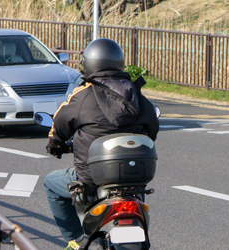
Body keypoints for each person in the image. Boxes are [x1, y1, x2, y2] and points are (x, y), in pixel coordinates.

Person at [43, 38, 159, 250]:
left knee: (51, 183)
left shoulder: (83, 96)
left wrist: (55, 144)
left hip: (91, 178)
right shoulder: (138, 95)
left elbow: (59, 125)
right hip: (134, 179)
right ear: (120, 62)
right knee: (137, 197)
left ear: (88, 64)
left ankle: (75, 241)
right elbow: (153, 130)